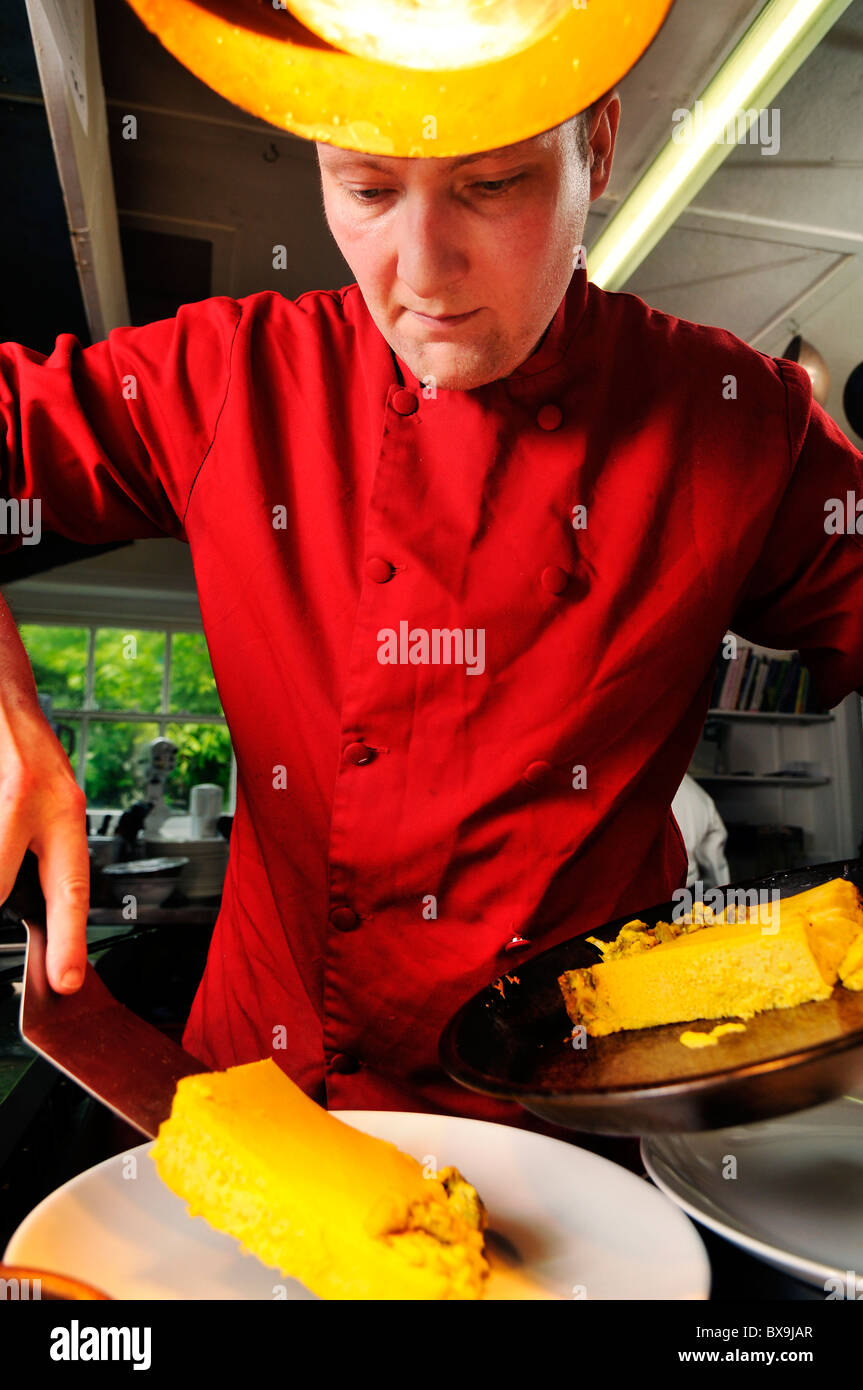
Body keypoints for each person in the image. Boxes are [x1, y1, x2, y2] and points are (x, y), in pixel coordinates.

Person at [2, 87, 863, 1128]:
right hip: (259, 1101)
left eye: (491, 184)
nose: (420, 271)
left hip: (578, 1123)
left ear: (594, 146)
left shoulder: (736, 423)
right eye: (365, 187)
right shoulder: (230, 377)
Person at [671, 774, 730, 889]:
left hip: (643, 895)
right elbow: (713, 860)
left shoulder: (634, 783)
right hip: (686, 890)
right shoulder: (697, 793)